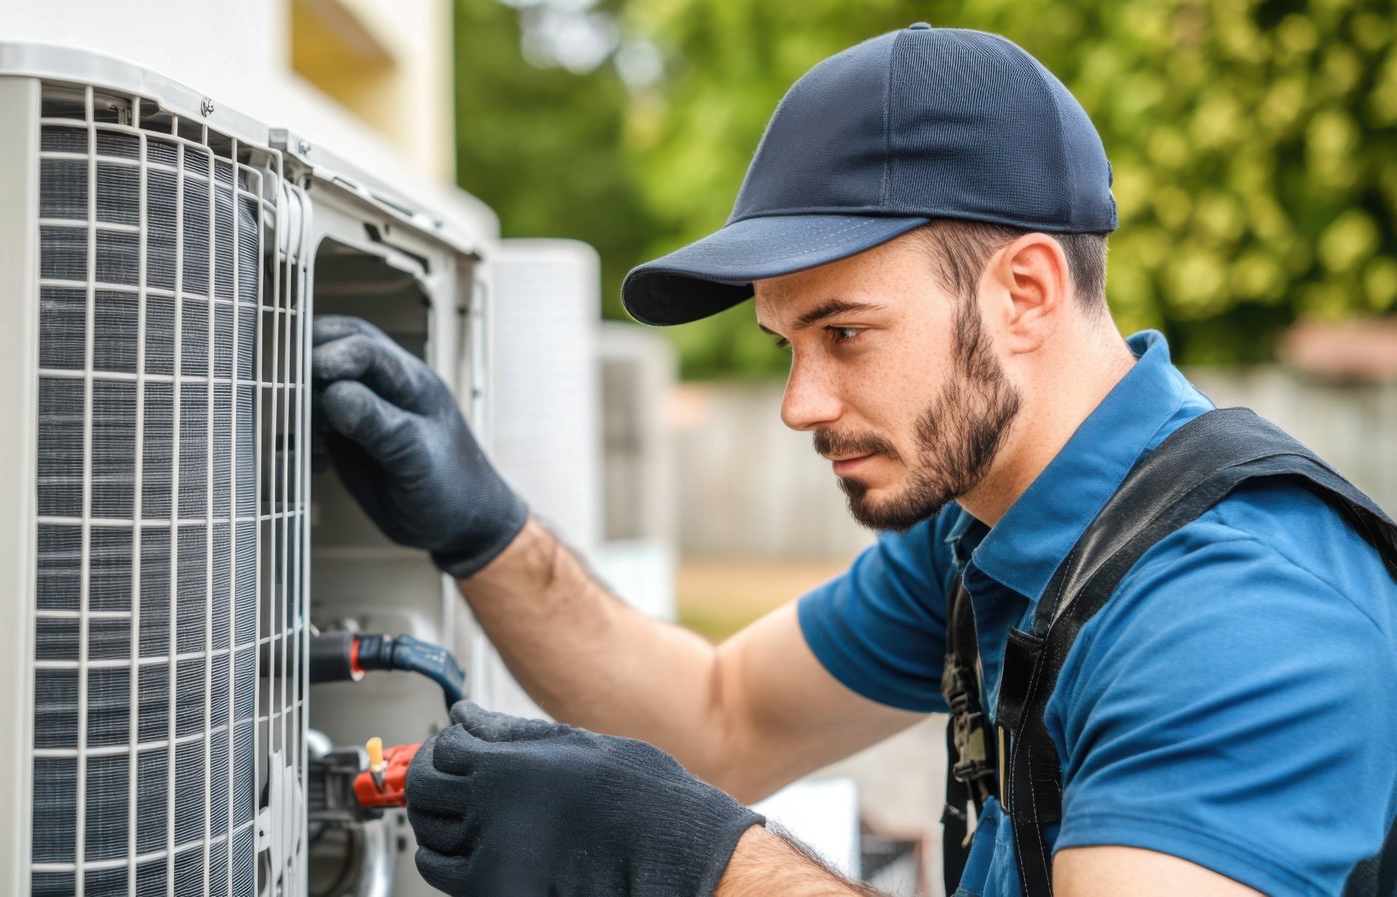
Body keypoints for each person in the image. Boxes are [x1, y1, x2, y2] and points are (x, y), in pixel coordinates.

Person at [310, 23, 1397, 897]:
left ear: (1023, 292)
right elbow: (720, 719)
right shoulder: (985, 528)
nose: (799, 404)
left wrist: (697, 862)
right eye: (785, 345)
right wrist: (484, 530)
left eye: (844, 333)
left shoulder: (1234, 614)